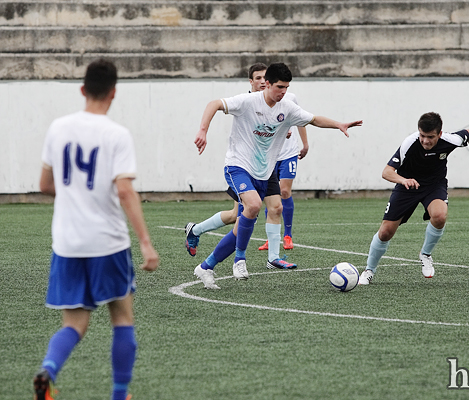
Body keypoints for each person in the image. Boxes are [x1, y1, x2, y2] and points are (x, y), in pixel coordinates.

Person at [33, 59, 159, 400]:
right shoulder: (116, 134)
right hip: (107, 243)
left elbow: (45, 184)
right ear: (114, 93)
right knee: (122, 317)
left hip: (68, 243)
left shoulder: (58, 127)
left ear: (82, 89)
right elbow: (124, 190)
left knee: (74, 324)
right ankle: (119, 395)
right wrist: (146, 243)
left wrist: (75, 194)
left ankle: (48, 369)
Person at [191, 62, 362, 289]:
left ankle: (206, 266)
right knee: (251, 206)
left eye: (287, 87)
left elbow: (313, 119)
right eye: (279, 86)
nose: (283, 91)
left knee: (247, 221)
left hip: (264, 172)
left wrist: (338, 124)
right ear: (267, 84)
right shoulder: (248, 102)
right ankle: (240, 259)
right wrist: (203, 130)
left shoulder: (287, 107)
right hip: (238, 166)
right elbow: (214, 104)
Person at [185, 62, 307, 269]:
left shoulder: (284, 100)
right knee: (238, 216)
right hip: (246, 167)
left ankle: (273, 257)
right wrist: (203, 130)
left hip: (267, 166)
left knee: (275, 207)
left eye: (263, 78)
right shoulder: (246, 102)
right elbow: (218, 106)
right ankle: (201, 237)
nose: (261, 81)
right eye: (257, 78)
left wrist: (294, 136)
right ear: (252, 82)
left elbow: (299, 119)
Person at [358, 112, 469, 285]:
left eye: (430, 137)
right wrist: (404, 180)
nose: (425, 141)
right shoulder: (409, 143)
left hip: (434, 185)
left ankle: (425, 254)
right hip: (407, 187)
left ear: (439, 134)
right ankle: (369, 270)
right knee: (386, 232)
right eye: (422, 136)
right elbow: (386, 172)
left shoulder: (450, 140)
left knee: (440, 216)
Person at [257, 93, 309, 252]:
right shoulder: (258, 100)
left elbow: (301, 120)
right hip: (269, 154)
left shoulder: (291, 98)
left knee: (284, 191)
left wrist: (305, 144)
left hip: (289, 153)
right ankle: (270, 237)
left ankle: (287, 235)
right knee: (269, 194)